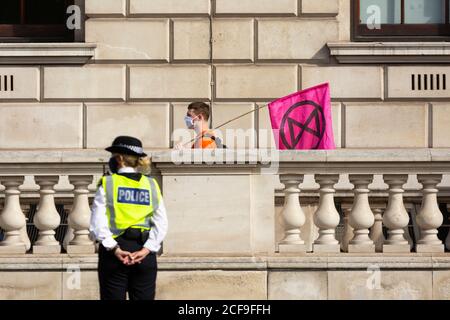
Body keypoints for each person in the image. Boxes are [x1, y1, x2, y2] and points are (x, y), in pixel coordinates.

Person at [89, 136, 168, 300]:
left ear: (119, 159)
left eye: (113, 156)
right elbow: (161, 223)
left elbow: (97, 222)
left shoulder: (108, 182)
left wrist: (114, 249)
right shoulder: (151, 184)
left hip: (115, 252)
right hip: (144, 251)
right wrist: (146, 250)